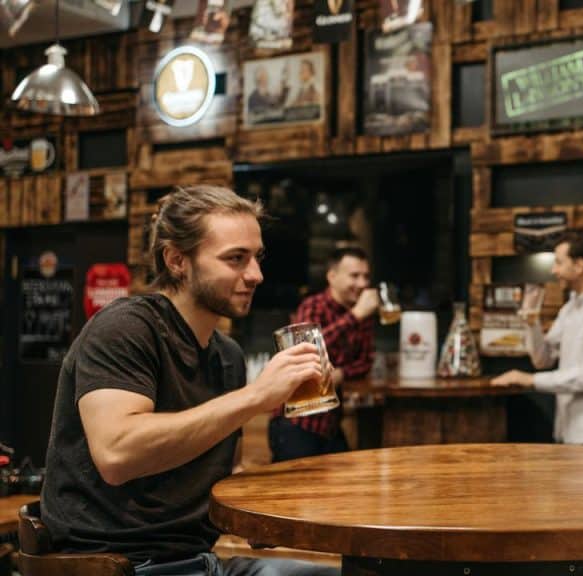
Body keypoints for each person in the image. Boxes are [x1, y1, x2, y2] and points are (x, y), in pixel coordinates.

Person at [40, 185, 337, 576]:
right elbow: (117, 454)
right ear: (177, 260)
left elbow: (223, 474)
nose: (256, 275)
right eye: (236, 259)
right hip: (119, 565)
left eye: (256, 258)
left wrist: (265, 513)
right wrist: (255, 397)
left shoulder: (227, 355)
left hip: (201, 562)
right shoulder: (125, 328)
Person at [492, 229, 583, 447]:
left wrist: (529, 380)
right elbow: (543, 360)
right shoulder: (570, 308)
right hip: (570, 431)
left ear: (579, 265)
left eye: (559, 262)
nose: (553, 270)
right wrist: (531, 323)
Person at [268, 246, 377, 462]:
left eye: (366, 276)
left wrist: (341, 374)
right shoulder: (314, 306)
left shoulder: (363, 312)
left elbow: (365, 362)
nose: (363, 284)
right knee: (294, 492)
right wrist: (355, 316)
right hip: (297, 422)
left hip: (330, 424)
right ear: (332, 276)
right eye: (355, 276)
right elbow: (302, 348)